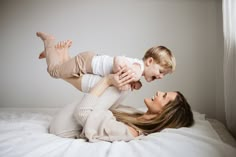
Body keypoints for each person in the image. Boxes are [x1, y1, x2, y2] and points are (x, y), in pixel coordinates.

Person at [36, 31, 194, 142]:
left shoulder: (130, 132)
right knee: (123, 86)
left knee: (57, 71)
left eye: (164, 96)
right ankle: (64, 62)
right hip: (86, 77)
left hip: (62, 127)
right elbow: (103, 103)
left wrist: (108, 80)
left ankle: (54, 50)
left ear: (165, 113)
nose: (159, 91)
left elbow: (84, 114)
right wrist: (113, 80)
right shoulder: (136, 113)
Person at [36, 32, 176, 91]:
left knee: (66, 70)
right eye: (161, 71)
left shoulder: (137, 72)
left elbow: (128, 75)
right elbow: (118, 59)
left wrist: (136, 83)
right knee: (54, 71)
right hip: (86, 62)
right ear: (150, 61)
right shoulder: (137, 68)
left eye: (164, 75)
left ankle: (54, 53)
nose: (161, 76)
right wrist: (118, 66)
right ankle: (49, 42)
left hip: (89, 61)